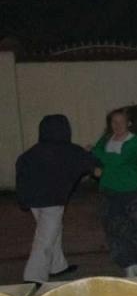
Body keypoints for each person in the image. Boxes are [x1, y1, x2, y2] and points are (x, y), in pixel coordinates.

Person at [15, 114, 99, 284]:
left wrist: (23, 200)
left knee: (52, 232)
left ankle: (57, 266)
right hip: (53, 201)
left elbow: (21, 175)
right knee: (45, 239)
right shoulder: (70, 151)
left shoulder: (30, 154)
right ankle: (33, 277)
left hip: (33, 201)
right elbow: (94, 167)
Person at [93, 107, 137, 277]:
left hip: (129, 192)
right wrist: (96, 166)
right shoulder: (106, 140)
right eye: (113, 122)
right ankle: (127, 262)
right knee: (113, 228)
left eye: (121, 122)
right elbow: (99, 160)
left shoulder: (135, 142)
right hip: (108, 191)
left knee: (134, 228)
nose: (117, 125)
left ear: (128, 123)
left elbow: (116, 161)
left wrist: (95, 153)